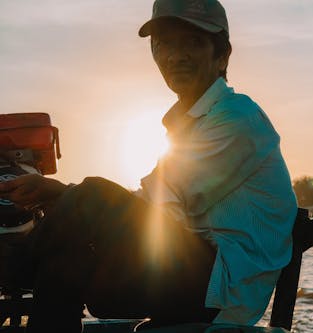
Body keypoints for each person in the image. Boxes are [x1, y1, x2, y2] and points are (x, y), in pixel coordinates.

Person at [0, 0, 297, 332]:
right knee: (70, 252)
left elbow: (156, 205)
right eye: (165, 43)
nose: (175, 55)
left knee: (92, 196)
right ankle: (23, 274)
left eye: (192, 43)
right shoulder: (189, 125)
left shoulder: (236, 119)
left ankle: (16, 268)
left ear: (222, 55)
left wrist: (76, 199)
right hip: (193, 279)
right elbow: (154, 203)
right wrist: (63, 195)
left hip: (219, 293)